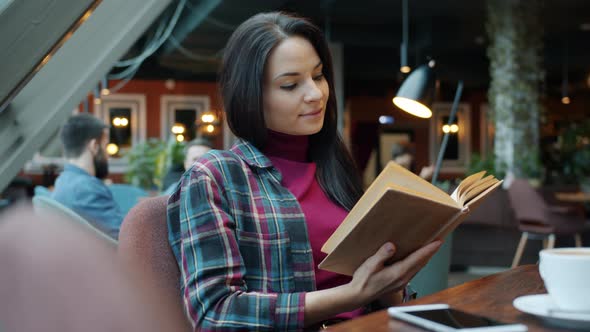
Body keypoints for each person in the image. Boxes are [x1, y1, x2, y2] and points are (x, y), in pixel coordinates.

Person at [167, 12, 441, 331]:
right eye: (290, 84)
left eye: (319, 75)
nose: (315, 94)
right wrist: (351, 295)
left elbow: (378, 295)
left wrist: (392, 281)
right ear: (249, 95)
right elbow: (216, 313)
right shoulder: (215, 176)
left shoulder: (333, 164)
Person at [52, 113, 123, 240]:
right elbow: (123, 240)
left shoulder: (63, 180)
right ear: (94, 146)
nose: (108, 155)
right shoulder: (87, 189)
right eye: (106, 146)